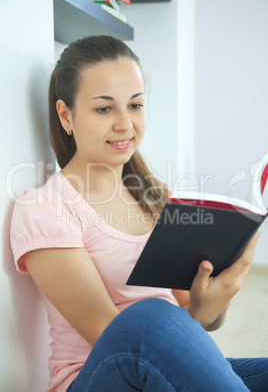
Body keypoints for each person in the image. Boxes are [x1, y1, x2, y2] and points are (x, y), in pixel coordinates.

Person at [10, 35, 268, 392]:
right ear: (66, 115)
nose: (125, 124)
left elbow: (191, 313)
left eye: (135, 105)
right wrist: (194, 318)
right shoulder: (43, 207)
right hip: (101, 378)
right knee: (148, 317)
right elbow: (119, 338)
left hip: (161, 369)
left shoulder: (157, 196)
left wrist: (216, 299)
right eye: (104, 109)